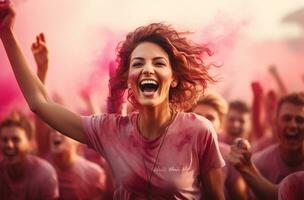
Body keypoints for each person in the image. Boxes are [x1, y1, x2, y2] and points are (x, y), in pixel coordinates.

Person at [0, 1, 225, 199]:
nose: (147, 69)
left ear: (174, 79)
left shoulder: (198, 131)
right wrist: (7, 34)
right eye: (138, 64)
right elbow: (40, 104)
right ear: (128, 80)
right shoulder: (111, 131)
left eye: (158, 63)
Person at [31, 33, 109, 199]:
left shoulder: (94, 174)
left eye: (63, 130)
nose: (56, 132)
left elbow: (101, 135)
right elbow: (39, 109)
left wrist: (90, 100)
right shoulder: (44, 159)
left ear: (78, 141)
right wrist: (41, 71)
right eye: (53, 130)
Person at [228, 92, 304, 200]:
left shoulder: (252, 166)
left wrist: (248, 169)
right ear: (275, 123)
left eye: (300, 120)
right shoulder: (259, 163)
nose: (293, 125)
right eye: (287, 118)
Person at [191, 92, 248, 200]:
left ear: (221, 126)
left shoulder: (229, 155)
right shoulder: (172, 152)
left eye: (210, 118)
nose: (203, 123)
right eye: (197, 116)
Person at [0, 111, 59, 200]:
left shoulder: (45, 174)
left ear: (30, 144)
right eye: (4, 140)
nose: (9, 145)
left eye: (16, 139)